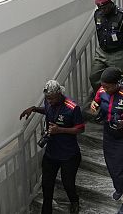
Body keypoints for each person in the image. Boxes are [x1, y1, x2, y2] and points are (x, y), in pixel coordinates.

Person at [20, 80, 85, 214]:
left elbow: (80, 128)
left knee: (68, 184)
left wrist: (60, 130)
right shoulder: (49, 102)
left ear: (59, 94)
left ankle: (74, 201)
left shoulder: (72, 107)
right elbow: (48, 110)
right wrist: (34, 108)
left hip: (69, 155)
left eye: (52, 98)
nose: (49, 101)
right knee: (46, 185)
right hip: (51, 153)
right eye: (47, 98)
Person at [90, 67, 123, 214]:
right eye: (103, 85)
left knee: (122, 169)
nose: (104, 89)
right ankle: (119, 187)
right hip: (109, 133)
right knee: (111, 164)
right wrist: (94, 105)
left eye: (108, 86)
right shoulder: (101, 91)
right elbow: (95, 102)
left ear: (117, 83)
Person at [89, 0, 123, 91]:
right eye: (100, 8)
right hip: (102, 52)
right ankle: (102, 98)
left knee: (119, 82)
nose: (103, 10)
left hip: (117, 54)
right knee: (94, 77)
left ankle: (118, 102)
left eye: (105, 8)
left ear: (110, 3)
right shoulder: (98, 14)